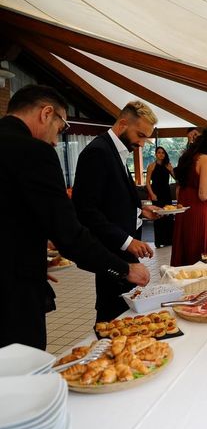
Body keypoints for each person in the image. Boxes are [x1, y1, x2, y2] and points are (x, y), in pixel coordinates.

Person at [0, 85, 150, 350]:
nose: (57, 141)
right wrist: (124, 269)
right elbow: (70, 232)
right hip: (13, 292)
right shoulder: (35, 152)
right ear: (47, 113)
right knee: (22, 370)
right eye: (61, 128)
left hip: (17, 267)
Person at [73, 100, 161, 324]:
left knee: (126, 311)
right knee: (111, 315)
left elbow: (111, 201)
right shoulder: (97, 152)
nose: (141, 143)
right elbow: (86, 211)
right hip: (111, 252)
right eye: (140, 135)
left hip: (123, 249)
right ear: (123, 124)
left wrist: (140, 212)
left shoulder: (116, 151)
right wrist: (127, 241)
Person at [170, 125, 207, 266]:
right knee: (205, 254)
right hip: (203, 213)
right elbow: (203, 194)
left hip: (186, 212)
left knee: (188, 252)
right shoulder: (206, 159)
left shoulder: (188, 157)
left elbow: (179, 189)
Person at [145, 146, 175, 247]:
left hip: (166, 193)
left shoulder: (168, 165)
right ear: (156, 154)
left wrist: (172, 170)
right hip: (156, 194)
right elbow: (147, 182)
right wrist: (152, 194)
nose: (161, 154)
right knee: (158, 217)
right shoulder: (151, 166)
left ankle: (169, 241)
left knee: (168, 217)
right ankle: (159, 242)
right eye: (159, 152)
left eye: (163, 153)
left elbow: (176, 178)